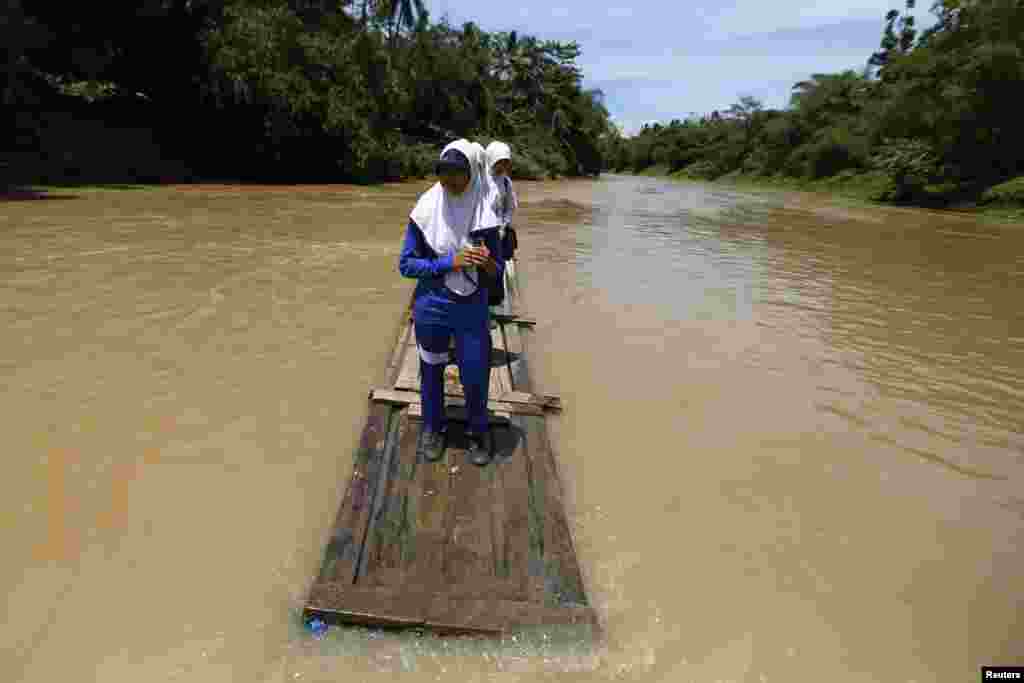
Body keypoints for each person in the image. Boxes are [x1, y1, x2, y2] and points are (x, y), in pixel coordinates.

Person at [398, 140, 505, 466]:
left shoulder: (484, 214)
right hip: (432, 305)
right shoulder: (426, 210)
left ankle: (478, 431)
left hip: (472, 307)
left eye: (458, 174)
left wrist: (486, 263)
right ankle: (433, 428)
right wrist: (449, 262)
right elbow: (406, 265)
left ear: (473, 173)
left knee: (475, 371)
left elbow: (498, 272)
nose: (450, 181)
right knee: (431, 370)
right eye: (444, 173)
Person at [484, 141, 519, 299]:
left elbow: (510, 207)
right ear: (491, 159)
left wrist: (504, 226)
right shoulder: (478, 180)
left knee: (497, 270)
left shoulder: (506, 182)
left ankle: (494, 305)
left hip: (499, 233)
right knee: (479, 269)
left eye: (506, 162)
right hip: (481, 233)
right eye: (500, 162)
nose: (503, 166)